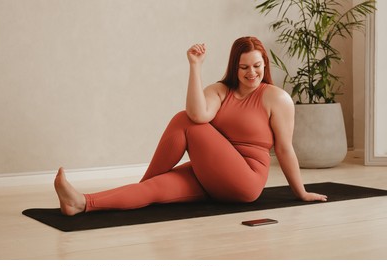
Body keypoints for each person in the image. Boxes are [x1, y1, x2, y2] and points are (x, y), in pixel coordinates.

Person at [54, 36, 328, 216]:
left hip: (245, 180)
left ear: (264, 64)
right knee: (154, 189)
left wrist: (300, 192)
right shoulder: (220, 90)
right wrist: (195, 66)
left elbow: (284, 148)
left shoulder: (276, 98)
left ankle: (142, 185)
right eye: (244, 67)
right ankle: (80, 203)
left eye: (257, 66)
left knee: (185, 120)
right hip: (210, 173)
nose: (251, 73)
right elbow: (199, 112)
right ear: (234, 67)